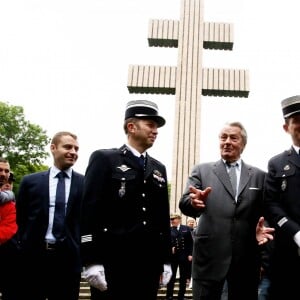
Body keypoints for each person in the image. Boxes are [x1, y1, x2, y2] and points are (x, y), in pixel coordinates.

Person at [81, 100, 172, 300]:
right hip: (114, 261)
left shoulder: (159, 168)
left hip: (148, 264)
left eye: (156, 126)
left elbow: (162, 218)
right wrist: (91, 260)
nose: (155, 131)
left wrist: (165, 260)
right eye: (150, 124)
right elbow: (89, 211)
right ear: (131, 127)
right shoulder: (105, 159)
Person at [179, 121, 274, 300]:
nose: (227, 142)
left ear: (243, 144)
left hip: (246, 260)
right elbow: (184, 203)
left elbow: (267, 214)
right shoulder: (201, 170)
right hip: (208, 259)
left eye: (233, 138)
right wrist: (194, 203)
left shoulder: (260, 176)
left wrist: (263, 235)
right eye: (223, 137)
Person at [16, 131, 84, 300]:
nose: (73, 152)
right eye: (68, 147)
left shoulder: (85, 183)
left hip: (68, 261)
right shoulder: (30, 181)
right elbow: (21, 218)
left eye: (76, 149)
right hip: (33, 260)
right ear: (53, 148)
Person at [264, 95, 300, 300]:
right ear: (286, 127)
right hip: (287, 255)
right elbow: (271, 203)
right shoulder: (276, 164)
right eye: (296, 120)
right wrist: (295, 232)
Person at [0, 158, 18, 300]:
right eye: (0, 170)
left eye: (6, 171)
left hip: (8, 261)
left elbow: (8, 229)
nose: (4, 174)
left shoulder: (10, 204)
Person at [166, 213, 193, 300]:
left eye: (173, 219)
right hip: (173, 257)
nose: (172, 221)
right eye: (171, 219)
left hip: (184, 256)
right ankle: (169, 295)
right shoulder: (168, 230)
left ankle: (181, 296)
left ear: (179, 219)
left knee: (183, 277)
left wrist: (190, 254)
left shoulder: (186, 228)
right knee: (171, 277)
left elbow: (190, 243)